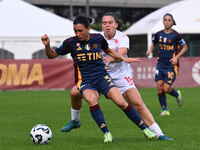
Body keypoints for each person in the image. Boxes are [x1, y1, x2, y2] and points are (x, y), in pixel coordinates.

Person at [41, 15, 156, 143]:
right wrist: (47, 45)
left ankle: (145, 129)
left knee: (121, 102)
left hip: (102, 78)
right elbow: (52, 55)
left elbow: (109, 51)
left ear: (88, 29)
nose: (77, 34)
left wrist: (124, 59)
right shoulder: (71, 42)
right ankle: (106, 133)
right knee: (91, 100)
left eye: (80, 31)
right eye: (75, 31)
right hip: (86, 81)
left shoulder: (98, 39)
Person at [146, 13, 188, 116]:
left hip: (171, 65)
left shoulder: (176, 35)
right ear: (163, 21)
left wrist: (176, 58)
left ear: (172, 22)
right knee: (159, 88)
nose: (167, 22)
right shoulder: (158, 34)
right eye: (165, 20)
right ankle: (165, 110)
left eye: (169, 20)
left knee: (166, 88)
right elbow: (153, 44)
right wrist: (150, 50)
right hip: (160, 64)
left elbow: (185, 47)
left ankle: (177, 94)